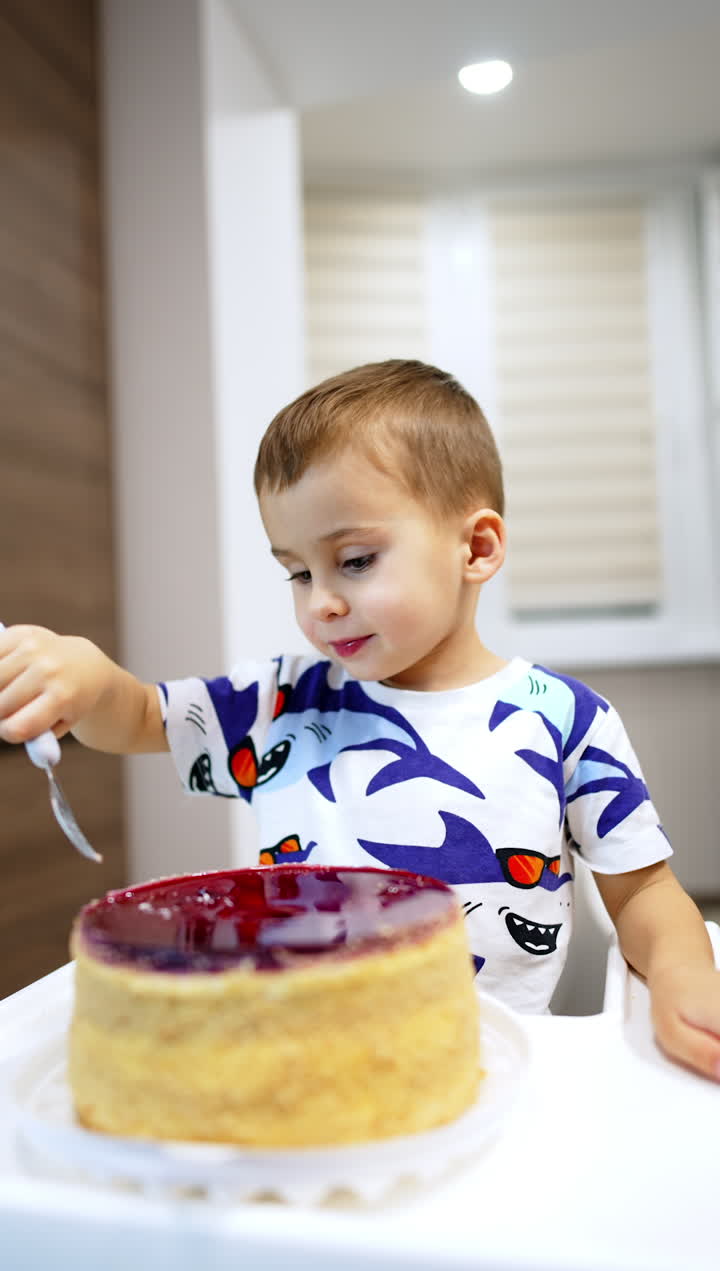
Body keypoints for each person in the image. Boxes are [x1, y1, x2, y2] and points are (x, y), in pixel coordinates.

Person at [1, 359, 718, 1075]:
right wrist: (92, 685)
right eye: (298, 571)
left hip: (486, 1068)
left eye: (355, 560)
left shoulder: (566, 721)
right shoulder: (281, 705)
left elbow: (645, 891)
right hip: (296, 1058)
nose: (320, 603)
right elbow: (143, 718)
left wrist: (687, 972)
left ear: (476, 548)